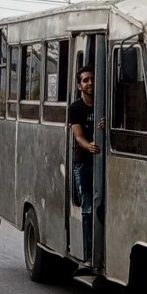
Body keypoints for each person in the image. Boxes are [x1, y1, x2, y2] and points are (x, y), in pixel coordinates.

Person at [68, 66, 103, 264]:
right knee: (88, 207)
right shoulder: (76, 108)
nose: (90, 83)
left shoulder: (105, 104)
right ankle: (89, 255)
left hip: (103, 162)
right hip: (84, 163)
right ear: (79, 85)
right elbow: (78, 136)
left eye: (92, 79)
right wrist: (89, 146)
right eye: (85, 80)